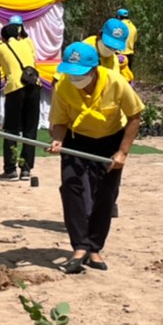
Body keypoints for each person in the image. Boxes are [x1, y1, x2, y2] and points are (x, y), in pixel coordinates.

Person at [47, 41, 143, 273]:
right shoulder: (63, 86)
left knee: (105, 194)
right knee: (72, 188)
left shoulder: (116, 82)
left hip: (110, 141)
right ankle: (79, 246)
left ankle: (94, 248)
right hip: (76, 139)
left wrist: (122, 152)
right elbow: (59, 122)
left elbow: (135, 116)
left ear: (94, 69)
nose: (75, 79)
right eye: (70, 73)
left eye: (79, 74)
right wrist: (57, 139)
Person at [0, 16, 40, 181]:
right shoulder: (27, 43)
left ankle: (10, 169)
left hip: (15, 88)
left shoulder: (0, 48)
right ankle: (26, 169)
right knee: (30, 129)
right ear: (18, 35)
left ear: (3, 37)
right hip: (34, 85)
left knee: (11, 129)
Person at [116, 8, 138, 73]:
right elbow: (135, 40)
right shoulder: (133, 27)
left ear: (119, 17)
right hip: (130, 55)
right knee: (128, 75)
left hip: (119, 54)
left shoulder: (119, 26)